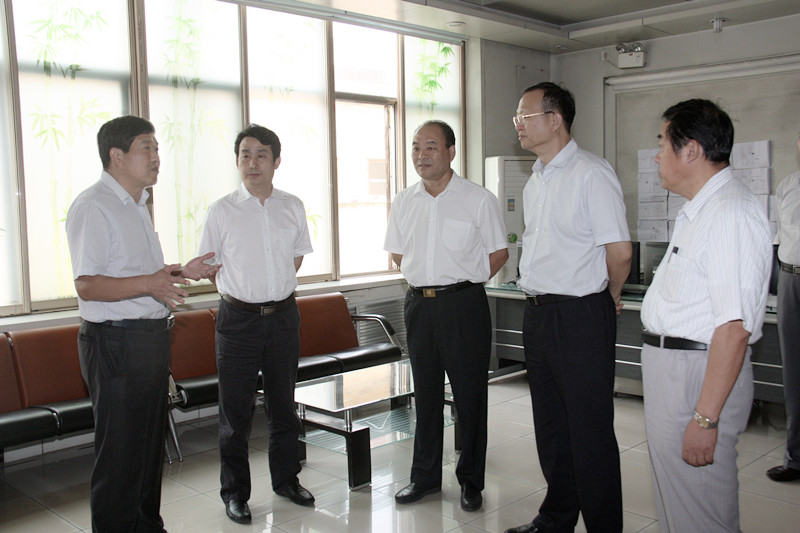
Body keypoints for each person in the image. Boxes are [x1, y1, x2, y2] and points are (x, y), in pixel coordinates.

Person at [65, 115, 220, 533]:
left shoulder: (136, 205)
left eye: (157, 148)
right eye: (146, 148)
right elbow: (87, 284)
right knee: (120, 453)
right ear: (116, 155)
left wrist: (179, 272)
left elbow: (136, 274)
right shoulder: (94, 206)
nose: (156, 157)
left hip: (148, 341)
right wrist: (150, 283)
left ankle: (148, 527)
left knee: (148, 448)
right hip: (115, 344)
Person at [640, 99, 772, 532]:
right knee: (680, 506)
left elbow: (734, 329)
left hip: (697, 375)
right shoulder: (701, 209)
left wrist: (705, 419)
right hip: (678, 370)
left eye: (663, 143)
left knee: (702, 514)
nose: (657, 156)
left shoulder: (729, 213)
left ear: (691, 150)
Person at [505, 82, 631, 533]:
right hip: (538, 313)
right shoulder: (536, 179)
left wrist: (610, 295)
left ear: (555, 119)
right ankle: (556, 517)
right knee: (552, 427)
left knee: (589, 431)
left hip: (580, 315)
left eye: (525, 116)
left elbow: (619, 251)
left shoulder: (591, 173)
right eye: (517, 118)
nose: (518, 125)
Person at [384, 120, 508, 512]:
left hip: (463, 306)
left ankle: (471, 481)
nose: (421, 155)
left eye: (431, 147)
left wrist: (465, 281)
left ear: (451, 152)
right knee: (425, 395)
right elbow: (397, 253)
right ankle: (424, 478)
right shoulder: (404, 201)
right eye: (416, 147)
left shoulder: (477, 198)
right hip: (419, 305)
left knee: (469, 396)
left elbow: (498, 252)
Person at [197, 124, 314, 524]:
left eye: (261, 154)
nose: (252, 162)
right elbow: (210, 267)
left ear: (276, 161)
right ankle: (235, 493)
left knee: (283, 406)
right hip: (238, 321)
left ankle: (286, 480)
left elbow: (296, 258)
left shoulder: (292, 206)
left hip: (283, 317)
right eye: (245, 155)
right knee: (236, 414)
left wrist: (271, 288)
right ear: (237, 161)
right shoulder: (221, 210)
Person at [766, 132, 800, 483]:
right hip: (791, 279)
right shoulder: (789, 185)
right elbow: (780, 238)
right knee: (793, 372)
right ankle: (795, 458)